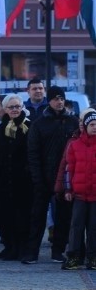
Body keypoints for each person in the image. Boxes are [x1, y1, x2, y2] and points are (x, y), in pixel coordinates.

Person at [21, 86, 79, 264]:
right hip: (43, 177)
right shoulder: (39, 123)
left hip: (65, 178)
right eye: (56, 99)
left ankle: (58, 251)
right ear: (50, 100)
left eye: (62, 98)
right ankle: (32, 252)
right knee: (37, 216)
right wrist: (38, 178)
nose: (59, 102)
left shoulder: (72, 121)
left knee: (63, 216)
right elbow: (33, 153)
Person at [0, 93, 33, 260]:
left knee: (23, 216)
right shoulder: (1, 128)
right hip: (4, 180)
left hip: (23, 181)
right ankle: (10, 247)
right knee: (6, 216)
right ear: (5, 109)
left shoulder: (28, 126)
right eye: (11, 107)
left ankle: (23, 247)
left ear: (22, 107)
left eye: (17, 106)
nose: (15, 110)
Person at [61, 111, 96, 270]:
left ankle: (93, 257)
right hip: (80, 194)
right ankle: (74, 257)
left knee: (94, 227)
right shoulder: (74, 145)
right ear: (85, 127)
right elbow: (69, 169)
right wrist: (68, 188)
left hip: (95, 196)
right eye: (92, 125)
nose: (95, 127)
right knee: (76, 226)